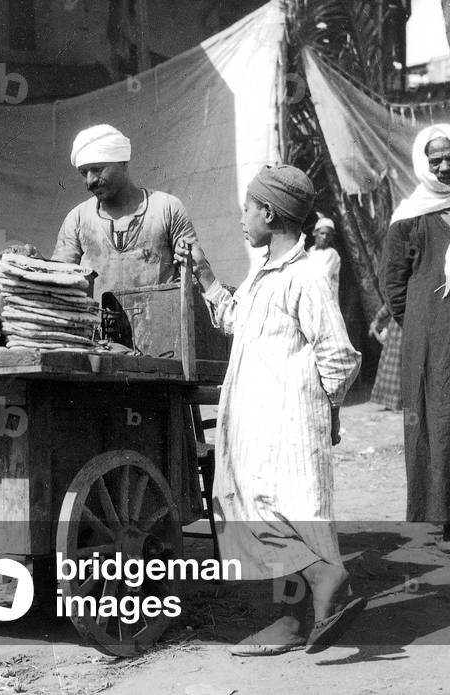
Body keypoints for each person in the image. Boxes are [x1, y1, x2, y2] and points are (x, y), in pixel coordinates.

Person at [182, 164, 364, 655]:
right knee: (261, 507)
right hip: (259, 423)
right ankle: (293, 621)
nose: (242, 217)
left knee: (277, 512)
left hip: (289, 425)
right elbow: (233, 318)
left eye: (247, 207)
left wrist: (328, 410)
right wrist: (202, 272)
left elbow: (338, 354)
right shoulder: (264, 274)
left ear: (268, 212)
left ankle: (325, 577)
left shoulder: (306, 277)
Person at [382, 123, 450, 550]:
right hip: (430, 341)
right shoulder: (409, 217)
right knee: (434, 420)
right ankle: (434, 522)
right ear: (422, 164)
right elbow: (394, 286)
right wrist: (426, 326)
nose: (444, 166)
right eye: (435, 159)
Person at [50, 124, 205, 300]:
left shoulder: (166, 208)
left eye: (98, 169)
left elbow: (196, 270)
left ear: (123, 162)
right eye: (84, 173)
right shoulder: (77, 219)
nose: (90, 180)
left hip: (159, 324)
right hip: (95, 325)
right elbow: (59, 283)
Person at [368, 304, 402, 411]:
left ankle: (394, 402)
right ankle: (395, 402)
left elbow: (391, 302)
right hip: (404, 324)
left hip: (399, 327)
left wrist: (378, 318)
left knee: (393, 364)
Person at [307, 216, 341, 295]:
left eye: (328, 235)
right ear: (314, 233)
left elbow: (322, 276)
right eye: (322, 233)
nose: (324, 237)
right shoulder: (310, 252)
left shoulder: (332, 254)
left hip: (325, 296)